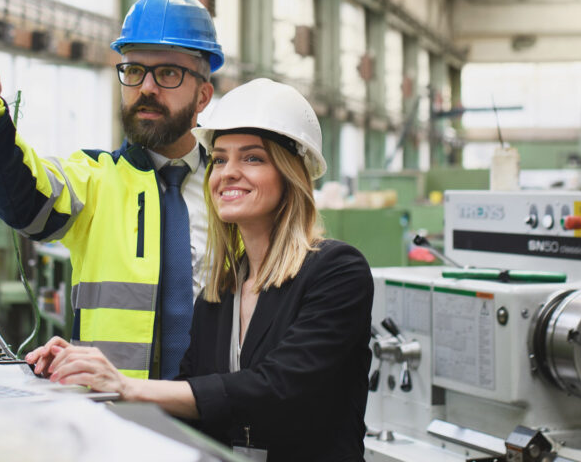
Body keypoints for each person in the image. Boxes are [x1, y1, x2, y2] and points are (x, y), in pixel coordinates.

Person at [27, 78, 374, 462]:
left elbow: (279, 387)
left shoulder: (337, 272)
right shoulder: (221, 290)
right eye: (220, 158)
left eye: (252, 158)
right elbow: (190, 403)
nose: (227, 172)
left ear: (291, 174)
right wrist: (83, 381)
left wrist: (125, 385)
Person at [0, 0, 223, 380]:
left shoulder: (231, 188)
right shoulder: (94, 177)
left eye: (169, 73)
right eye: (134, 69)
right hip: (111, 413)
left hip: (211, 411)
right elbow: (25, 198)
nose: (147, 88)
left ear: (203, 95)